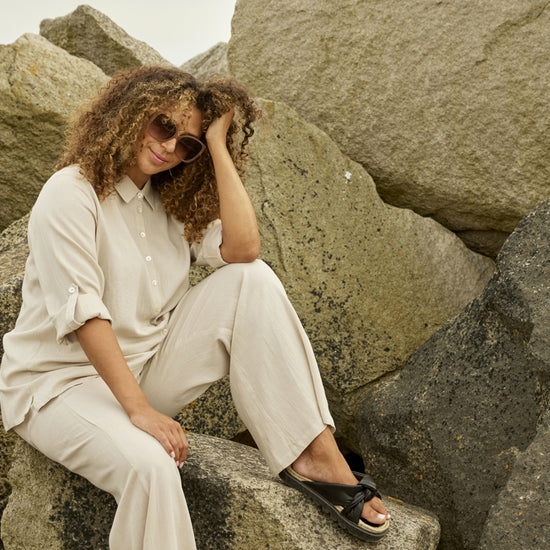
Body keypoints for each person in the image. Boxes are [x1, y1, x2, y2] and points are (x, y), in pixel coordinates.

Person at [0, 66, 390, 548]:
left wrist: (218, 148)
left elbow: (245, 249)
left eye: (187, 144)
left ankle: (314, 453)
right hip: (59, 387)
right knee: (152, 468)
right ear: (130, 111)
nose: (169, 147)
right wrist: (141, 413)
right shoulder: (70, 192)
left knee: (252, 279)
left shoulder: (169, 203)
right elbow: (86, 316)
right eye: (163, 125)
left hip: (144, 371)